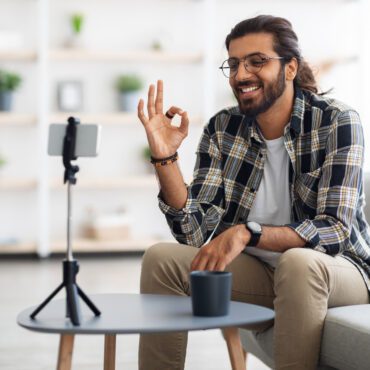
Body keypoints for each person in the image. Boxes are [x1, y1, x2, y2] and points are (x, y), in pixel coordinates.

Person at [137, 14, 370, 370]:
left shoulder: (337, 121)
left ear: (290, 68)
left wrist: (249, 233)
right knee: (161, 259)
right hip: (264, 277)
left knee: (298, 261)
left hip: (340, 271)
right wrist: (164, 156)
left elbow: (335, 230)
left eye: (256, 61)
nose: (241, 75)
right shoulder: (223, 128)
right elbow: (193, 232)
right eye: (233, 64)